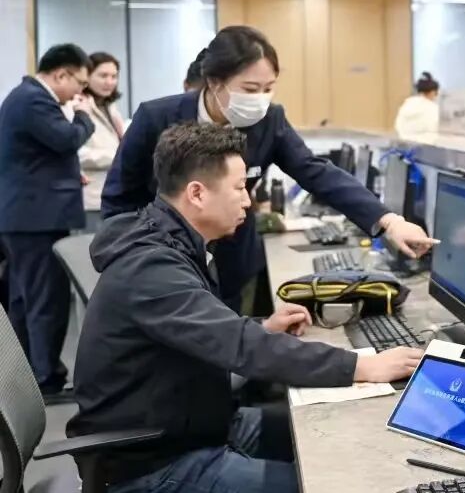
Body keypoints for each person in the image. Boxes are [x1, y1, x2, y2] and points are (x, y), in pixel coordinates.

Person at [68, 122, 422, 492]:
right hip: (153, 461)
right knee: (336, 485)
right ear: (197, 193)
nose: (247, 201)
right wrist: (363, 366)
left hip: (196, 422)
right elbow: (242, 347)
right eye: (239, 188)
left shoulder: (174, 242)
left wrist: (263, 328)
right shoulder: (151, 268)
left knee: (343, 438)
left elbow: (212, 331)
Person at [103, 25, 434, 311]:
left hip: (232, 257)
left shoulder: (269, 120)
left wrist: (389, 222)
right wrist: (138, 260)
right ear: (214, 82)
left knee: (231, 343)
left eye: (268, 88)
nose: (260, 99)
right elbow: (119, 200)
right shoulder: (155, 118)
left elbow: (315, 171)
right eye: (250, 90)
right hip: (162, 261)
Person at [0, 43, 95, 397]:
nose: (79, 92)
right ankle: (46, 377)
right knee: (45, 299)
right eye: (79, 83)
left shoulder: (23, 98)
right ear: (61, 74)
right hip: (36, 219)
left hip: (25, 216)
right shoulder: (34, 100)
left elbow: (34, 158)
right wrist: (83, 116)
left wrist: (66, 174)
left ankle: (29, 373)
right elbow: (66, 139)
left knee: (25, 299)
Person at [79, 52, 126, 221]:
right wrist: (118, 156)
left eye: (114, 76)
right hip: (91, 196)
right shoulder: (77, 105)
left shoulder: (110, 107)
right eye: (103, 76)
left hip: (114, 195)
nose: (109, 82)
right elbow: (77, 153)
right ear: (87, 76)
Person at [394, 71, 441, 142]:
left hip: (405, 143)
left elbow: (398, 125)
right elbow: (433, 128)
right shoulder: (432, 107)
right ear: (432, 92)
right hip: (425, 145)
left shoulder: (407, 104)